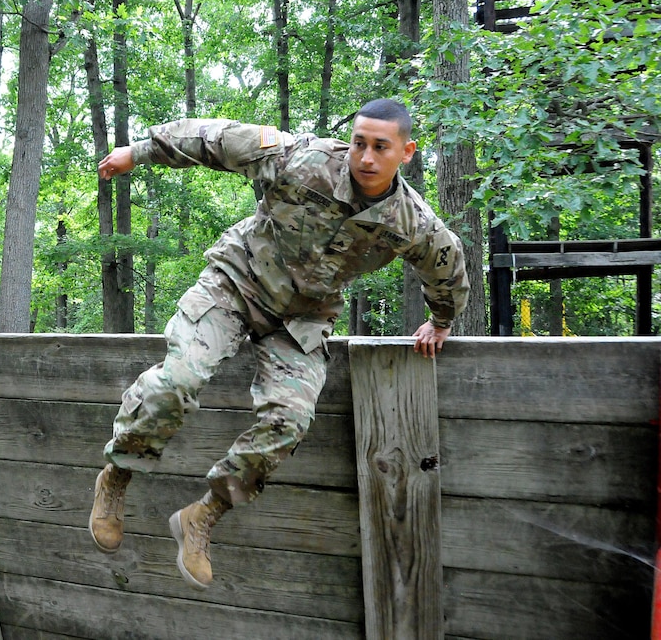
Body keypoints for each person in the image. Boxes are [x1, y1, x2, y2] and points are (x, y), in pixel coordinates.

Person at [88, 99, 469, 589]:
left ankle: (202, 516)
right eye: (359, 143)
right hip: (237, 282)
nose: (366, 158)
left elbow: (446, 265)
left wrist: (441, 321)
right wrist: (138, 152)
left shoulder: (410, 221)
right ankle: (117, 473)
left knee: (289, 421)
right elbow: (218, 138)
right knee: (178, 379)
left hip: (303, 317)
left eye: (380, 147)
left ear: (407, 152)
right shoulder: (303, 158)